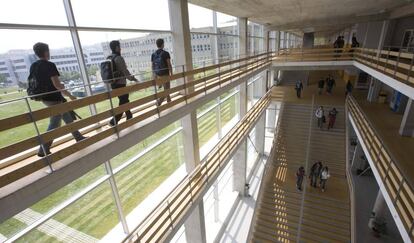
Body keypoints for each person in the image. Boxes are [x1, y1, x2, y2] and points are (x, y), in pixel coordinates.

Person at [29, 42, 86, 157]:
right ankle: (43, 149)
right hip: (53, 98)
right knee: (55, 123)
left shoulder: (34, 65)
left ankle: (78, 137)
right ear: (46, 52)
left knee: (67, 117)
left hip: (44, 98)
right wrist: (70, 95)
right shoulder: (49, 65)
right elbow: (57, 85)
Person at [108, 40, 138, 126]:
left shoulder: (110, 57)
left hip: (113, 84)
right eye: (119, 46)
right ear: (117, 47)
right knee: (123, 101)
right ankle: (113, 121)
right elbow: (125, 71)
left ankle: (129, 116)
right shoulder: (119, 58)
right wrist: (133, 78)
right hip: (120, 83)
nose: (120, 48)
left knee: (124, 100)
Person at [152, 38, 173, 106]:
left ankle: (169, 100)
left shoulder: (153, 54)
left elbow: (152, 66)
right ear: (163, 44)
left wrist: (154, 75)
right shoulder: (166, 53)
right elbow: (169, 64)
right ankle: (159, 101)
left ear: (157, 45)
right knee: (167, 89)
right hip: (165, 74)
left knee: (165, 88)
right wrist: (171, 73)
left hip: (158, 74)